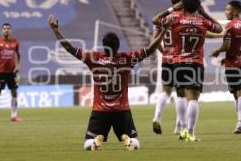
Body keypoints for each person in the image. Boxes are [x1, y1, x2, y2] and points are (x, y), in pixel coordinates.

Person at [48, 14, 166, 150]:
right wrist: (164, 30)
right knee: (136, 143)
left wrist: (55, 30)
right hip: (122, 110)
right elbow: (150, 49)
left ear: (104, 46)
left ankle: (96, 140)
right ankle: (126, 138)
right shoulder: (127, 58)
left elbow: (70, 49)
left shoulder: (93, 58)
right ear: (118, 46)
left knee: (87, 144)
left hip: (100, 110)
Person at [161, 0, 226, 141]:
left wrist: (172, 9)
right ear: (197, 7)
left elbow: (156, 19)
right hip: (195, 63)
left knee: (181, 95)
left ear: (182, 6)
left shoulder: (175, 19)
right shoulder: (202, 22)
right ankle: (190, 132)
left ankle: (181, 127)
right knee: (193, 99)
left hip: (177, 62)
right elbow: (219, 28)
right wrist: (203, 13)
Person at [211, 0, 241, 134]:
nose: (225, 12)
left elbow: (227, 46)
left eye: (227, 9)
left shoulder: (230, 25)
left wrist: (217, 51)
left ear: (234, 11)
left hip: (233, 65)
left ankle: (240, 123)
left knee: (238, 95)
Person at [151, 0, 188, 135]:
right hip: (181, 59)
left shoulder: (163, 17)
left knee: (165, 91)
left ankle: (157, 118)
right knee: (181, 93)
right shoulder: (183, 17)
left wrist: (165, 52)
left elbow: (154, 40)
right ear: (181, 2)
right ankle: (179, 127)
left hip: (167, 58)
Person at [0, 23, 22, 122]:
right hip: (1, 72)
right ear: (2, 30)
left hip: (12, 73)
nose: (6, 30)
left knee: (14, 92)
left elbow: (19, 55)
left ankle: (14, 116)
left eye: (8, 28)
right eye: (4, 28)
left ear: (10, 30)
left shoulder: (15, 42)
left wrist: (18, 66)